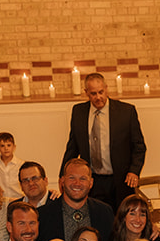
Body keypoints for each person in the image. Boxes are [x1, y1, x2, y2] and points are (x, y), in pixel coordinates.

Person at [61, 72, 146, 206]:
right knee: (96, 219)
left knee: (121, 220)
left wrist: (134, 171)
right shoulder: (78, 112)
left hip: (120, 179)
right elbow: (72, 147)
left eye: (101, 92)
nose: (98, 97)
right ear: (86, 92)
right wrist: (63, 175)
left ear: (106, 89)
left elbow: (139, 146)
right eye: (93, 94)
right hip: (92, 180)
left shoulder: (126, 111)